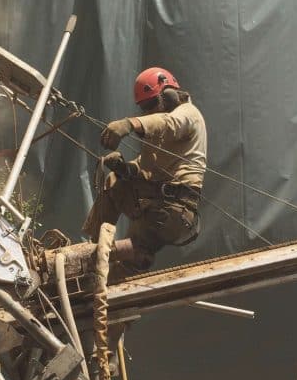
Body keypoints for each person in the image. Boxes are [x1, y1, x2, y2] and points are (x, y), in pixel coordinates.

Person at [82, 66, 207, 268]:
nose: (148, 111)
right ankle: (93, 248)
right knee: (115, 180)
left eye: (151, 104)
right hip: (159, 205)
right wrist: (125, 168)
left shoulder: (187, 114)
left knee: (126, 259)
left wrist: (130, 124)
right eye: (144, 108)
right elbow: (146, 167)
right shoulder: (158, 129)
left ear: (170, 96)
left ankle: (105, 258)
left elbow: (168, 123)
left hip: (176, 210)